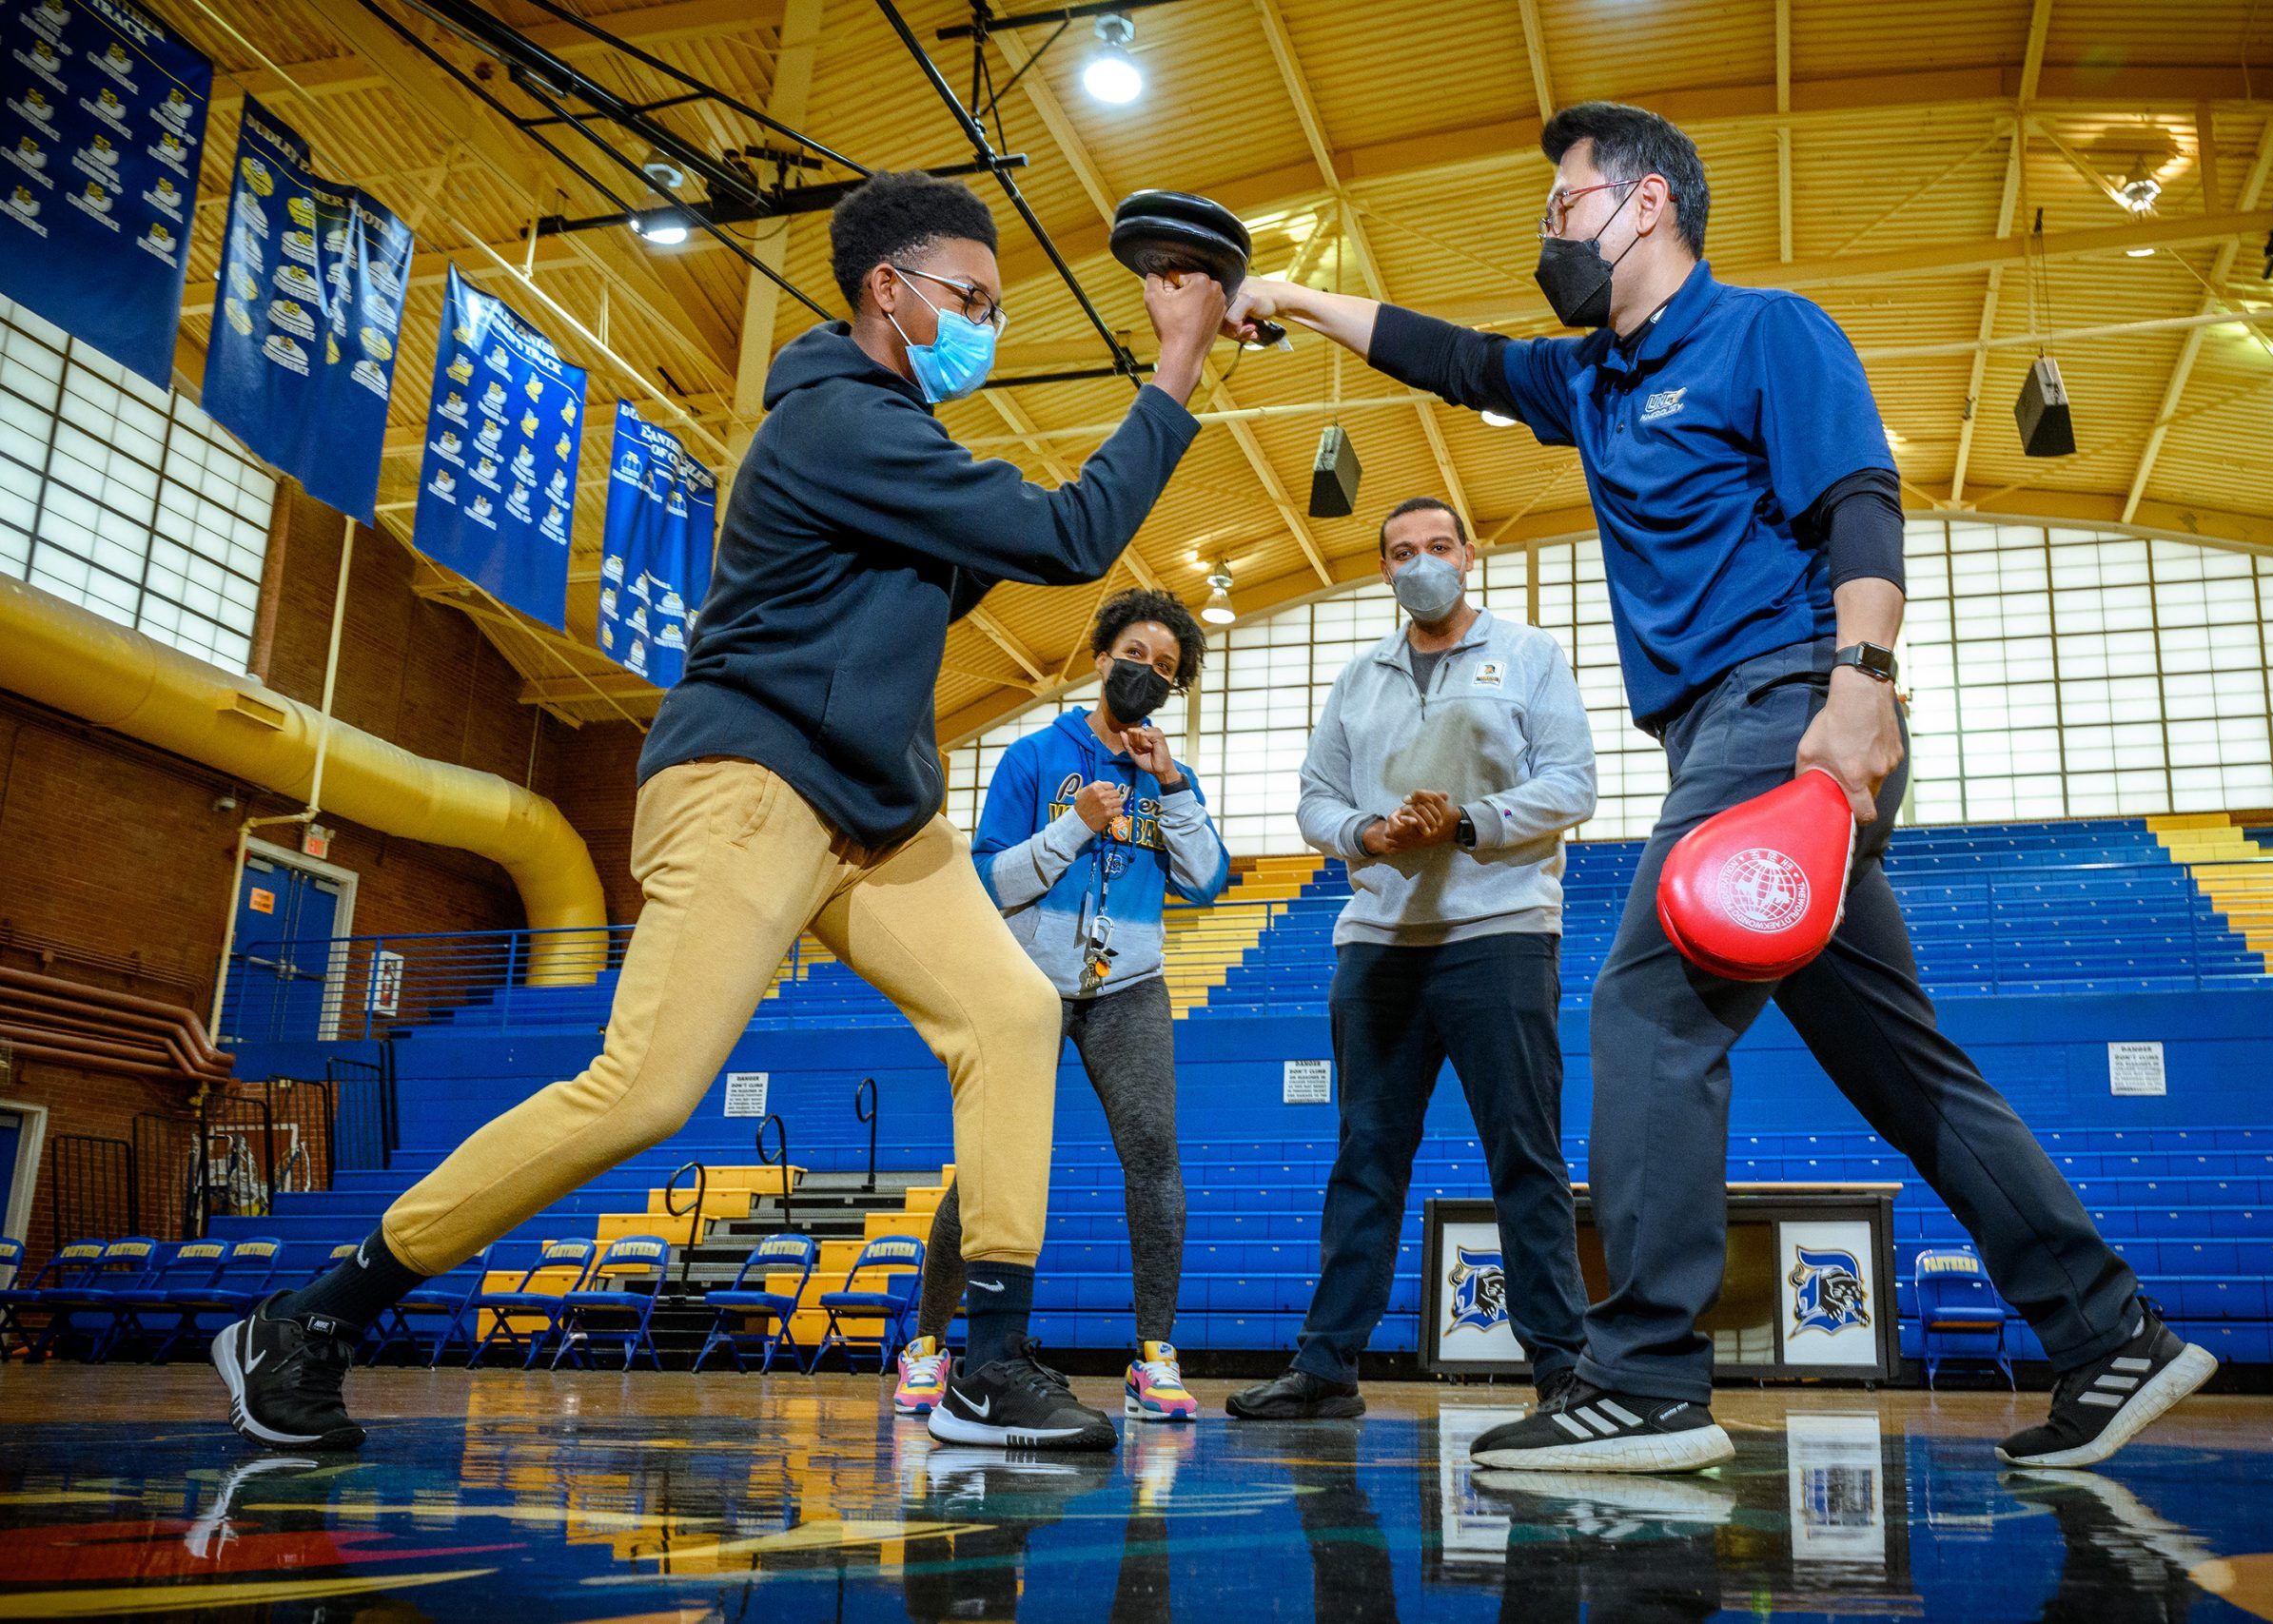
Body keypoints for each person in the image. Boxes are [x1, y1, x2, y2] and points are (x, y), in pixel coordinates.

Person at [1225, 104, 2214, 1472]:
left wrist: (1860, 690)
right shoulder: (1597, 383)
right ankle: (2114, 1333)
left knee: (1646, 1006)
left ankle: (1645, 1377)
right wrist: (1291, 298)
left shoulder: (1769, 332)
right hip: (1718, 734)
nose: (1548, 234)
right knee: (1896, 1057)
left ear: (1643, 205)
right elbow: (1450, 357)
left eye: (1563, 207)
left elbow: (1862, 505)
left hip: (1788, 704)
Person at [213, 170, 1228, 1456]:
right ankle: (311, 1315)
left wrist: (1183, 366)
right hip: (753, 783)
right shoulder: (838, 425)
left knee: (1013, 1009)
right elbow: (1074, 533)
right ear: (889, 291)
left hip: (872, 808)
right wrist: (1177, 363)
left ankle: (986, 1360)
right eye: (969, 298)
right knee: (644, 1089)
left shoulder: (894, 448)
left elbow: (983, 562)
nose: (987, 324)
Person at [1225, 495, 1596, 1421]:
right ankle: (1326, 1368)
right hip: (1378, 946)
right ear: (1383, 569)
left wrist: (1467, 822)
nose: (1420, 561)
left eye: (1437, 545)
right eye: (1400, 552)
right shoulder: (1358, 679)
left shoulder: (1531, 656)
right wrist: (1367, 832)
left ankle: (1564, 1372)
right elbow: (1314, 798)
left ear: (1467, 554)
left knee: (1525, 1156)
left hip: (1498, 938)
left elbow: (1572, 785)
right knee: (1365, 1159)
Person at [892, 588, 1227, 1424]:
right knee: (987, 1171)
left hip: (1130, 990)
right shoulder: (1033, 758)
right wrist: (1073, 827)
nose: (1146, 674)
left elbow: (1209, 879)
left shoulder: (1165, 777)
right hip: (1025, 987)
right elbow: (986, 881)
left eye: (1166, 670)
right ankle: (930, 1346)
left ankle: (1154, 1357)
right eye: (1135, 655)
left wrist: (1175, 786)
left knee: (1155, 1155)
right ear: (1101, 653)